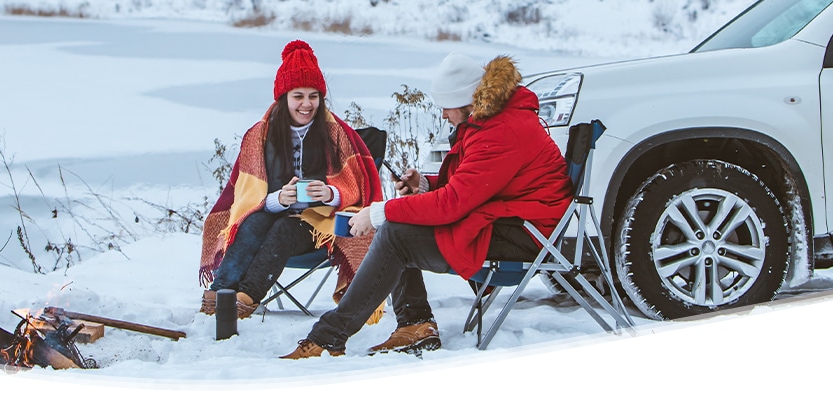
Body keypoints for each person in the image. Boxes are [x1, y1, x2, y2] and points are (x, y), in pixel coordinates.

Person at [281, 53, 572, 359]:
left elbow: (453, 204)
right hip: (507, 223)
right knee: (398, 227)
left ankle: (330, 338)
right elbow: (475, 184)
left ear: (467, 101)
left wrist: (379, 212)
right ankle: (414, 325)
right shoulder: (496, 121)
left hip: (523, 236)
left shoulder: (502, 132)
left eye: (446, 106)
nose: (443, 114)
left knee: (395, 235)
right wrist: (425, 185)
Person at [197, 40, 382, 320]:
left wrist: (330, 193)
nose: (307, 104)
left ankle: (246, 298)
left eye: (313, 96)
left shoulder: (337, 134)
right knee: (254, 222)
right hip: (272, 215)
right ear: (283, 97)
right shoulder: (260, 135)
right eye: (298, 96)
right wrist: (279, 199)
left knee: (285, 228)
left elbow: (357, 188)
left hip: (320, 226)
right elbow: (247, 197)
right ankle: (220, 291)